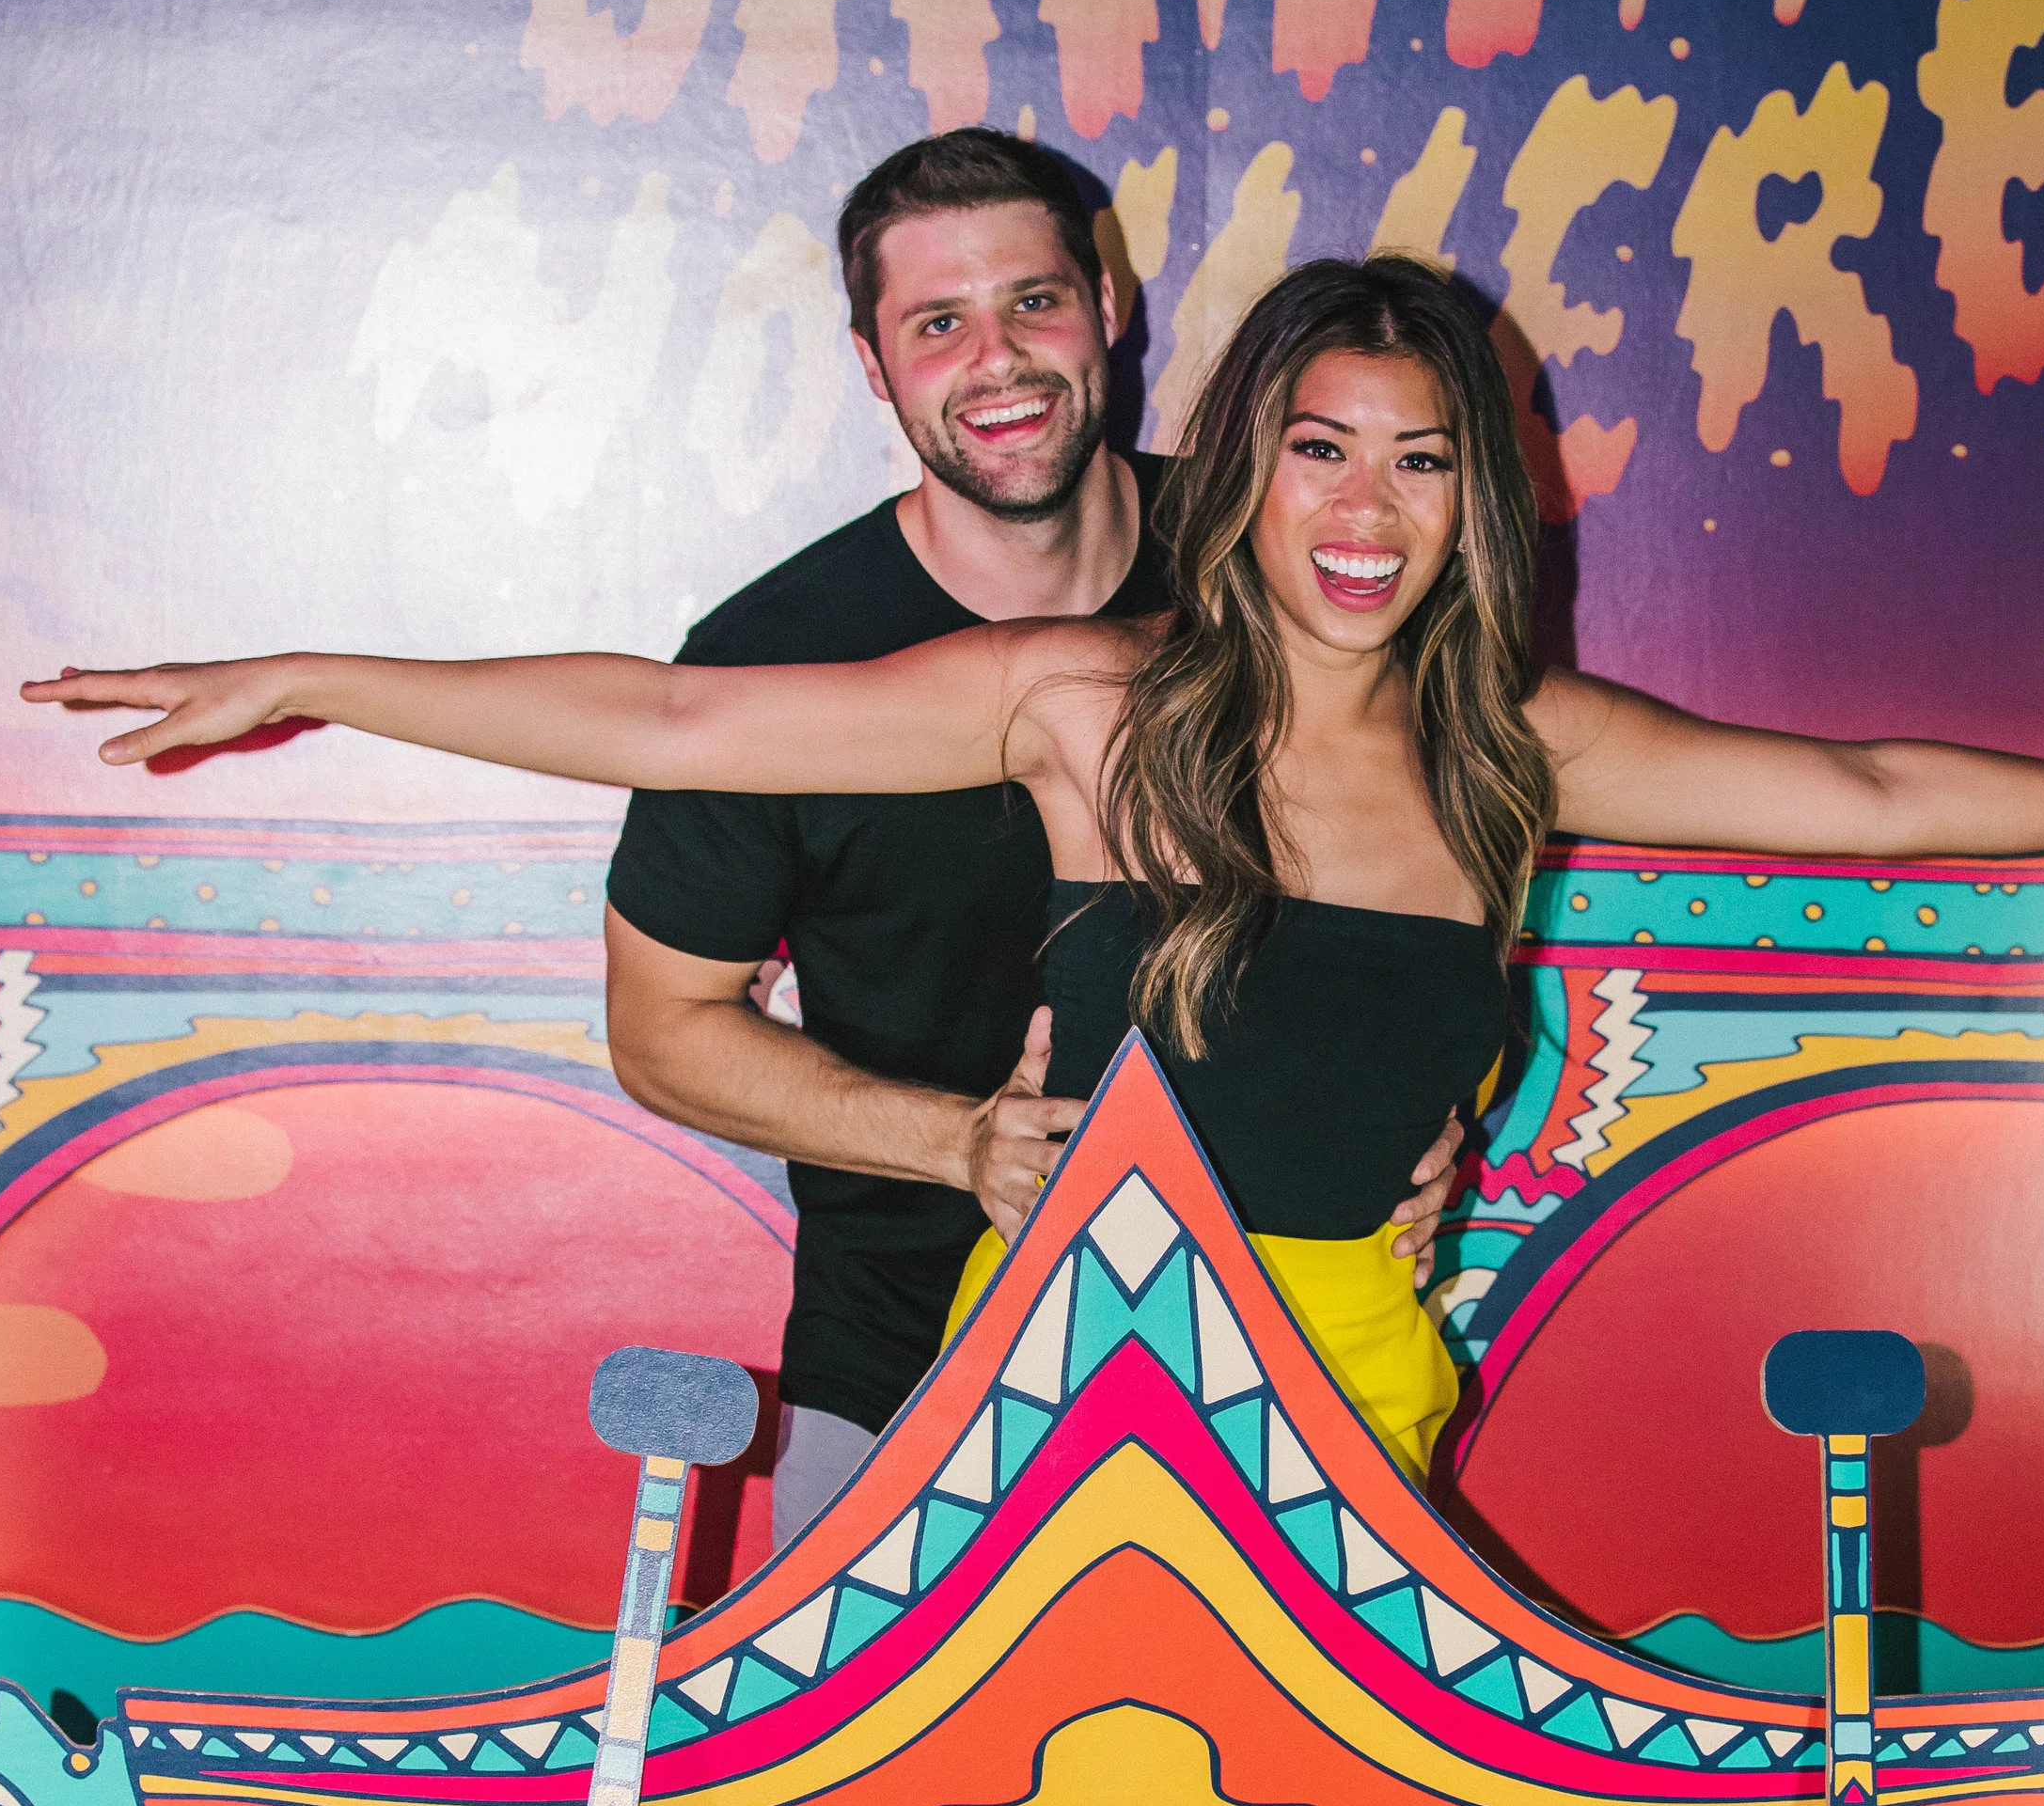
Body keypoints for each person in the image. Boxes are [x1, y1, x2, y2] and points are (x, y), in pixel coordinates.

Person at [26, 253, 2044, 1485]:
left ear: (1476, 499)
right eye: (1316, 449)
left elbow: (1870, 792)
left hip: (1364, 1373)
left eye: (1419, 458)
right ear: (1246, 474)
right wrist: (322, 672)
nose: (1364, 506)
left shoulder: (1514, 747)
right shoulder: (1088, 701)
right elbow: (683, 721)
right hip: (1076, 1365)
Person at [600, 131, 1458, 1538]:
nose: (996, 358)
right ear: (876, 366)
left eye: (1034, 303)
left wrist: (1401, 1108)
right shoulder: (779, 653)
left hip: (1281, 1393)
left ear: (1111, 306)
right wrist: (962, 1143)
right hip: (899, 1377)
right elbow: (661, 1029)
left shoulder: (1299, 558)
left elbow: (1425, 842)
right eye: (938, 324)